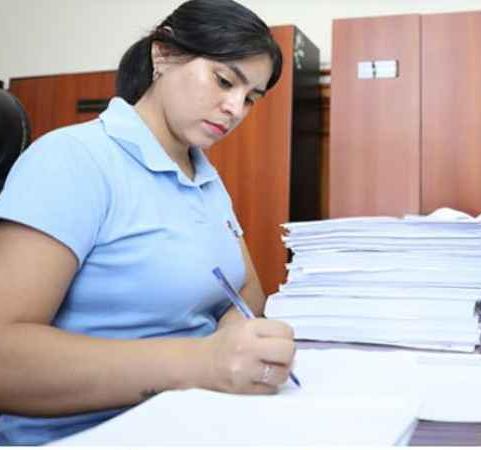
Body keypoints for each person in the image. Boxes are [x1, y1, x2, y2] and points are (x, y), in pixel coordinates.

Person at [0, 0, 295, 445]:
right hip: (85, 433)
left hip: (193, 420)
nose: (235, 108)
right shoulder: (72, 159)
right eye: (224, 81)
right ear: (163, 54)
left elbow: (244, 298)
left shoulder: (206, 179)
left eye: (251, 98)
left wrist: (240, 340)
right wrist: (202, 362)